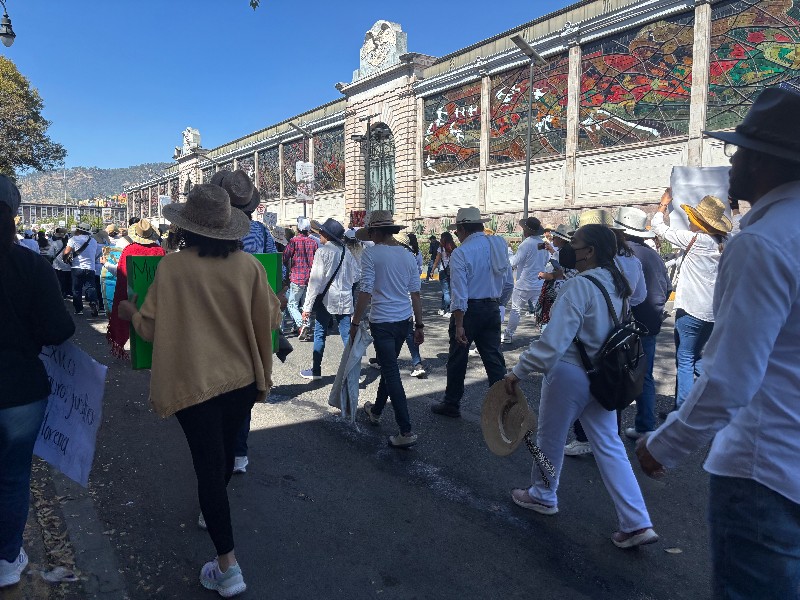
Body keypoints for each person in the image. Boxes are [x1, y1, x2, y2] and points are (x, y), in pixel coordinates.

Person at [636, 86, 800, 598]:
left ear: (769, 161)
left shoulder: (763, 238)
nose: (732, 164)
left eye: (740, 151)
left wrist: (665, 443)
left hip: (762, 470)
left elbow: (732, 375)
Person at [118, 184, 281, 598]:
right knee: (224, 457)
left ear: (187, 227)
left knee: (209, 466)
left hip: (194, 384)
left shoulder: (173, 268)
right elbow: (272, 316)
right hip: (241, 381)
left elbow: (152, 329)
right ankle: (216, 515)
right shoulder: (248, 267)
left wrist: (130, 311)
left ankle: (228, 566)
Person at [504, 224, 658, 548]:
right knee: (610, 445)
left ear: (589, 251)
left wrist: (518, 372)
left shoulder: (579, 287)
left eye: (574, 243)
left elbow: (552, 342)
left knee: (549, 438)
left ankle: (543, 494)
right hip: (604, 376)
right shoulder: (617, 284)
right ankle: (637, 521)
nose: (568, 248)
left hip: (570, 373)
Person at [0, 176, 75, 588]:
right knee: (12, 476)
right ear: (13, 216)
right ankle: (7, 557)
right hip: (19, 391)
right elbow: (58, 329)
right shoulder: (29, 265)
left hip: (20, 391)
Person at [651, 191, 731, 412]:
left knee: (685, 359)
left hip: (691, 309)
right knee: (696, 357)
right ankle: (714, 393)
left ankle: (683, 413)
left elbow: (658, 228)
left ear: (699, 222)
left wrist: (662, 206)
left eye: (693, 217)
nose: (689, 219)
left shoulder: (695, 240)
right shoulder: (725, 242)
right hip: (714, 311)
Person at [431, 207, 513, 418]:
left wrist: (459, 324)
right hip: (492, 306)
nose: (457, 235)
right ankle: (504, 407)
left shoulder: (462, 252)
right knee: (494, 359)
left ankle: (452, 402)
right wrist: (497, 303)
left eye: (458, 231)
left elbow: (459, 293)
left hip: (469, 311)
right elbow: (508, 283)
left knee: (458, 358)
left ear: (462, 228)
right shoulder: (499, 244)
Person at [352, 211, 424, 448]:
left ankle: (406, 430)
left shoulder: (371, 253)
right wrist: (419, 324)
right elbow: (415, 293)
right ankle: (377, 410)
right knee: (389, 365)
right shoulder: (407, 255)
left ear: (374, 232)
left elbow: (366, 290)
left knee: (391, 371)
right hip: (403, 320)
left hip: (382, 321)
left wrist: (355, 322)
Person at [615, 207, 671, 439]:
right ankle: (646, 426)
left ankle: (610, 431)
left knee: (617, 375)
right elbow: (667, 287)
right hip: (651, 323)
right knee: (644, 375)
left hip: (628, 325)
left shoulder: (622, 256)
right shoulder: (653, 255)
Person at [300, 218, 359, 381]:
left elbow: (315, 282)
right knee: (347, 336)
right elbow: (355, 277)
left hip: (326, 300)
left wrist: (307, 308)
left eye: (321, 232)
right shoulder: (347, 252)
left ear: (326, 234)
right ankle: (354, 372)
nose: (319, 235)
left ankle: (316, 370)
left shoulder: (323, 252)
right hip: (345, 299)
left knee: (320, 333)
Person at [106, 219, 165, 358]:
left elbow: (122, 275)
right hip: (154, 295)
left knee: (134, 320)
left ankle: (138, 354)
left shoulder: (129, 250)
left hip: (133, 296)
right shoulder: (160, 251)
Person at [503, 217, 550, 345]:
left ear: (526, 231)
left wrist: (507, 254)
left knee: (516, 310)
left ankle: (508, 335)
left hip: (523, 283)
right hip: (538, 283)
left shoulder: (526, 244)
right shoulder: (542, 244)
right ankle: (546, 336)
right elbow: (546, 261)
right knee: (539, 311)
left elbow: (514, 261)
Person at [282, 217, 318, 339]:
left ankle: (301, 325)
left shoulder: (293, 241)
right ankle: (305, 326)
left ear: (298, 229)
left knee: (292, 304)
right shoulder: (313, 243)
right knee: (304, 305)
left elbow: (285, 257)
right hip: (310, 278)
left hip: (297, 278)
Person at [62, 222, 99, 316]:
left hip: (77, 267)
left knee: (77, 289)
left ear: (78, 230)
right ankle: (93, 302)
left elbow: (66, 252)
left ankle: (79, 309)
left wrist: (65, 259)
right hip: (90, 267)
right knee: (91, 287)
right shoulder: (93, 241)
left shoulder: (73, 239)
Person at [430, 231, 457, 317]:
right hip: (452, 271)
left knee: (445, 292)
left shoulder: (440, 249)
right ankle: (443, 308)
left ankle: (448, 310)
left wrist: (432, 270)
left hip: (442, 271)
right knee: (447, 291)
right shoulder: (454, 247)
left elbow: (436, 261)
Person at [51, 228, 72, 298]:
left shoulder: (54, 243)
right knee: (67, 280)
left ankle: (62, 293)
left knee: (59, 281)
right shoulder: (70, 243)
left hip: (57, 266)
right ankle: (68, 292)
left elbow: (50, 254)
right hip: (68, 266)